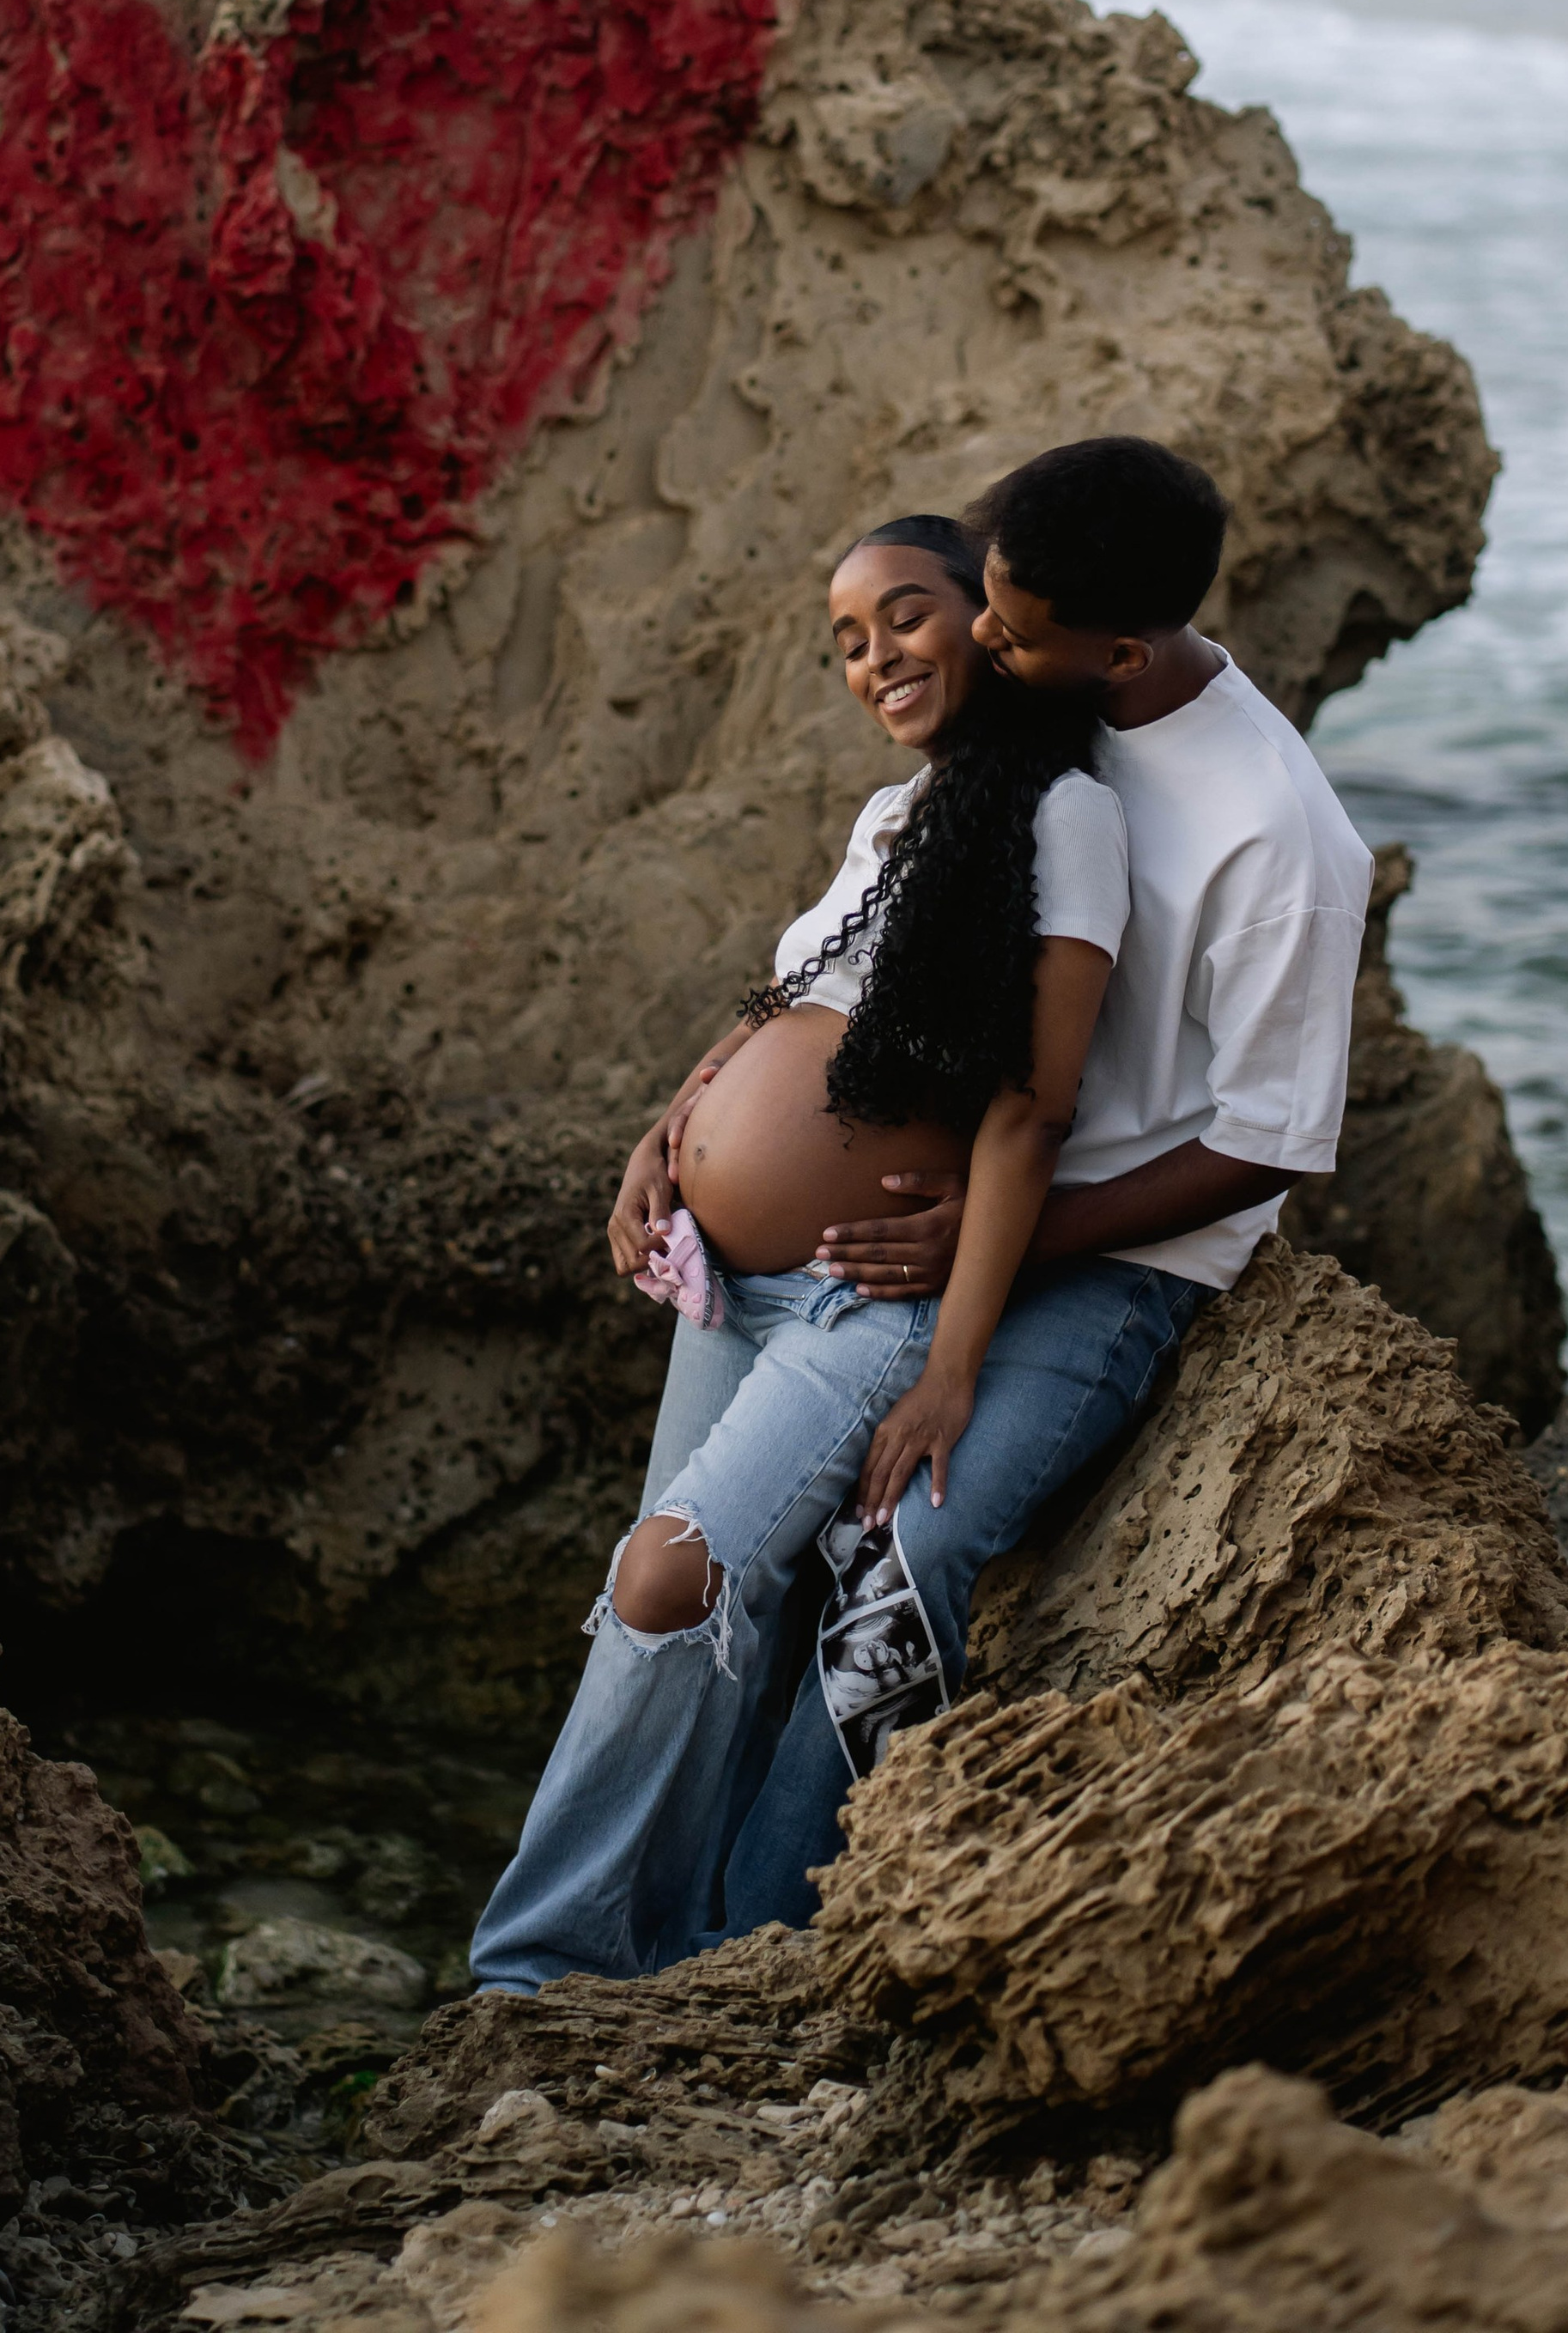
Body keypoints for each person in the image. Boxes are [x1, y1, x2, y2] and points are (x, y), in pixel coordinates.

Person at [714, 434, 1377, 1931]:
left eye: (1007, 626)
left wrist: (991, 1254)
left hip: (1124, 1257)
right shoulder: (1061, 699)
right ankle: (681, 1889)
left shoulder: (1277, 835)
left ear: (1123, 649)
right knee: (776, 1530)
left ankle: (767, 1942)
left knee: (906, 1552)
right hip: (976, 1208)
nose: (984, 644)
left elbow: (1270, 1140)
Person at [467, 514, 1129, 1993]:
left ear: (994, 622)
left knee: (670, 1580)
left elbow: (1031, 1110)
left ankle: (530, 1966)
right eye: (845, 640)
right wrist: (666, 1136)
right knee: (698, 1628)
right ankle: (633, 1957)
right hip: (724, 1281)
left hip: (856, 1296)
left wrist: (956, 1362)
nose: (874, 656)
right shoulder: (898, 819)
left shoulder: (1062, 818)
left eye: (905, 617)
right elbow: (785, 1003)